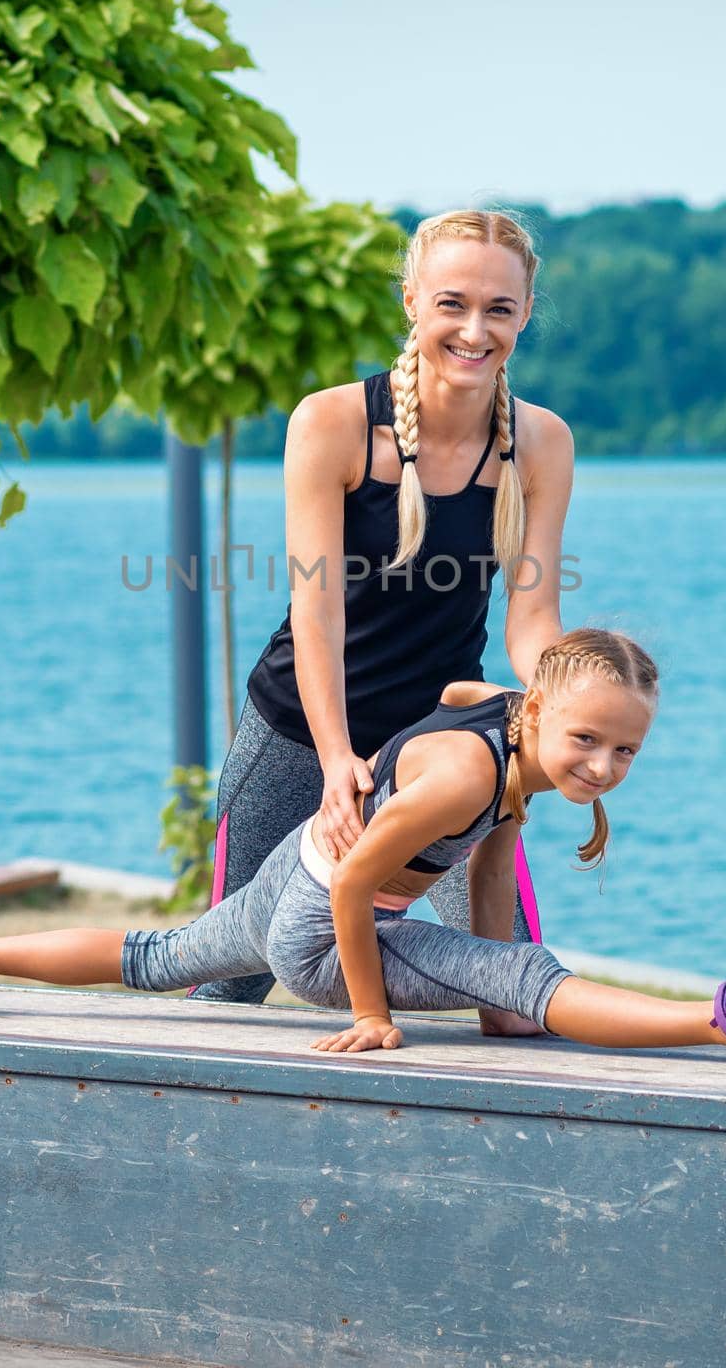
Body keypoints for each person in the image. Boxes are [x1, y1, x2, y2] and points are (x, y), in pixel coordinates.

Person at [0, 630, 726, 1067]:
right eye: (586, 742)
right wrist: (374, 1013)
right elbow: (362, 881)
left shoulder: (496, 728)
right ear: (533, 712)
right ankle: (725, 1020)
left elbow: (450, 697)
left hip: (300, 870)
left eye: (625, 750)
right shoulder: (464, 781)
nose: (603, 765)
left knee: (155, 956)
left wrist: (494, 984)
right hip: (327, 924)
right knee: (528, 978)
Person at [195, 208, 575, 1015]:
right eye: (451, 303)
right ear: (411, 301)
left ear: (524, 316)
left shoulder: (539, 444)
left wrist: (571, 702)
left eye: (498, 310)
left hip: (444, 746)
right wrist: (335, 759)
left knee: (508, 986)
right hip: (301, 729)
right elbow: (317, 612)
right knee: (229, 982)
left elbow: (530, 620)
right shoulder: (330, 423)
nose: (474, 330)